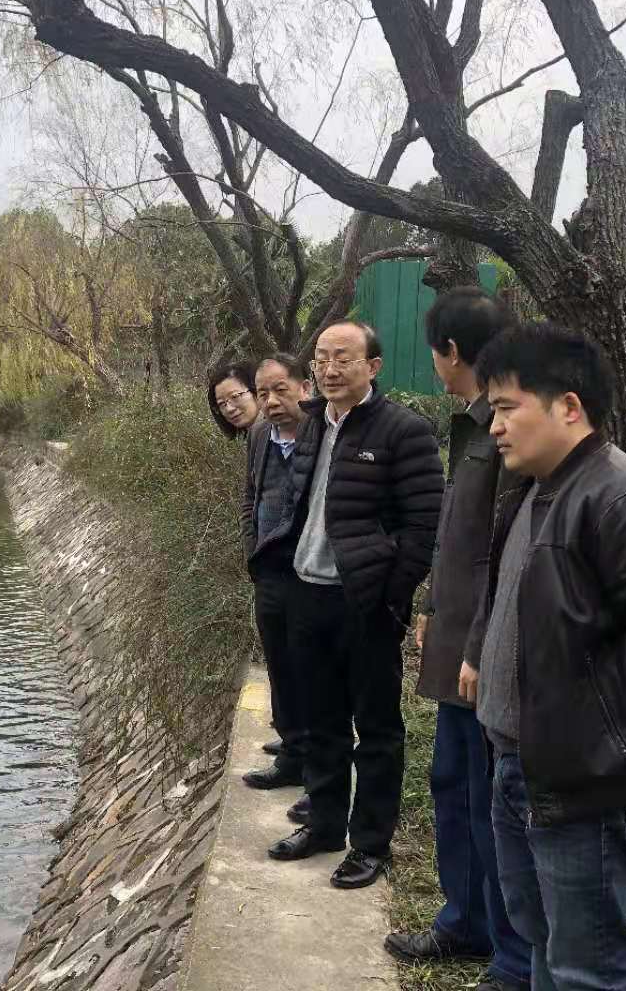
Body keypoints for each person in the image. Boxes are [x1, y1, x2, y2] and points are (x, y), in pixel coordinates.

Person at [467, 323, 626, 991]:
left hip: (585, 775)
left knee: (590, 965)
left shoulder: (622, 499)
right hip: (521, 761)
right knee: (544, 940)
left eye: (506, 407)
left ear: (568, 407)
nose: (495, 425)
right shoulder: (536, 488)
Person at [384, 288, 529, 991]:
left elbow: (504, 555)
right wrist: (432, 606)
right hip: (457, 638)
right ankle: (464, 920)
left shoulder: (503, 432)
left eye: (434, 352)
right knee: (454, 785)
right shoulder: (472, 424)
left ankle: (511, 955)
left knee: (490, 799)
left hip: (483, 652)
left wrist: (474, 645)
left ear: (449, 351)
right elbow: (458, 537)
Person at [267, 320, 443, 890]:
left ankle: (370, 843)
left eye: (343, 358)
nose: (329, 369)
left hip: (364, 604)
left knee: (377, 728)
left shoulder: (403, 431)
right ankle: (323, 824)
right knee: (320, 721)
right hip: (306, 594)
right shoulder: (313, 422)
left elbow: (423, 527)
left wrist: (391, 597)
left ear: (374, 366)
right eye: (321, 358)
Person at [240, 353, 312, 790]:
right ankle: (291, 747)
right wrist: (252, 546)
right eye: (262, 393)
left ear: (305, 387)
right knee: (279, 663)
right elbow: (250, 494)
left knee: (309, 667)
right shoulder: (259, 435)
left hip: (309, 573)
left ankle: (308, 754)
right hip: (268, 569)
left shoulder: (323, 434)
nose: (271, 401)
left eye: (281, 390)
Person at [208, 359, 260, 437]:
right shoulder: (256, 437)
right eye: (221, 403)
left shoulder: (276, 434)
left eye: (235, 396)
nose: (229, 409)